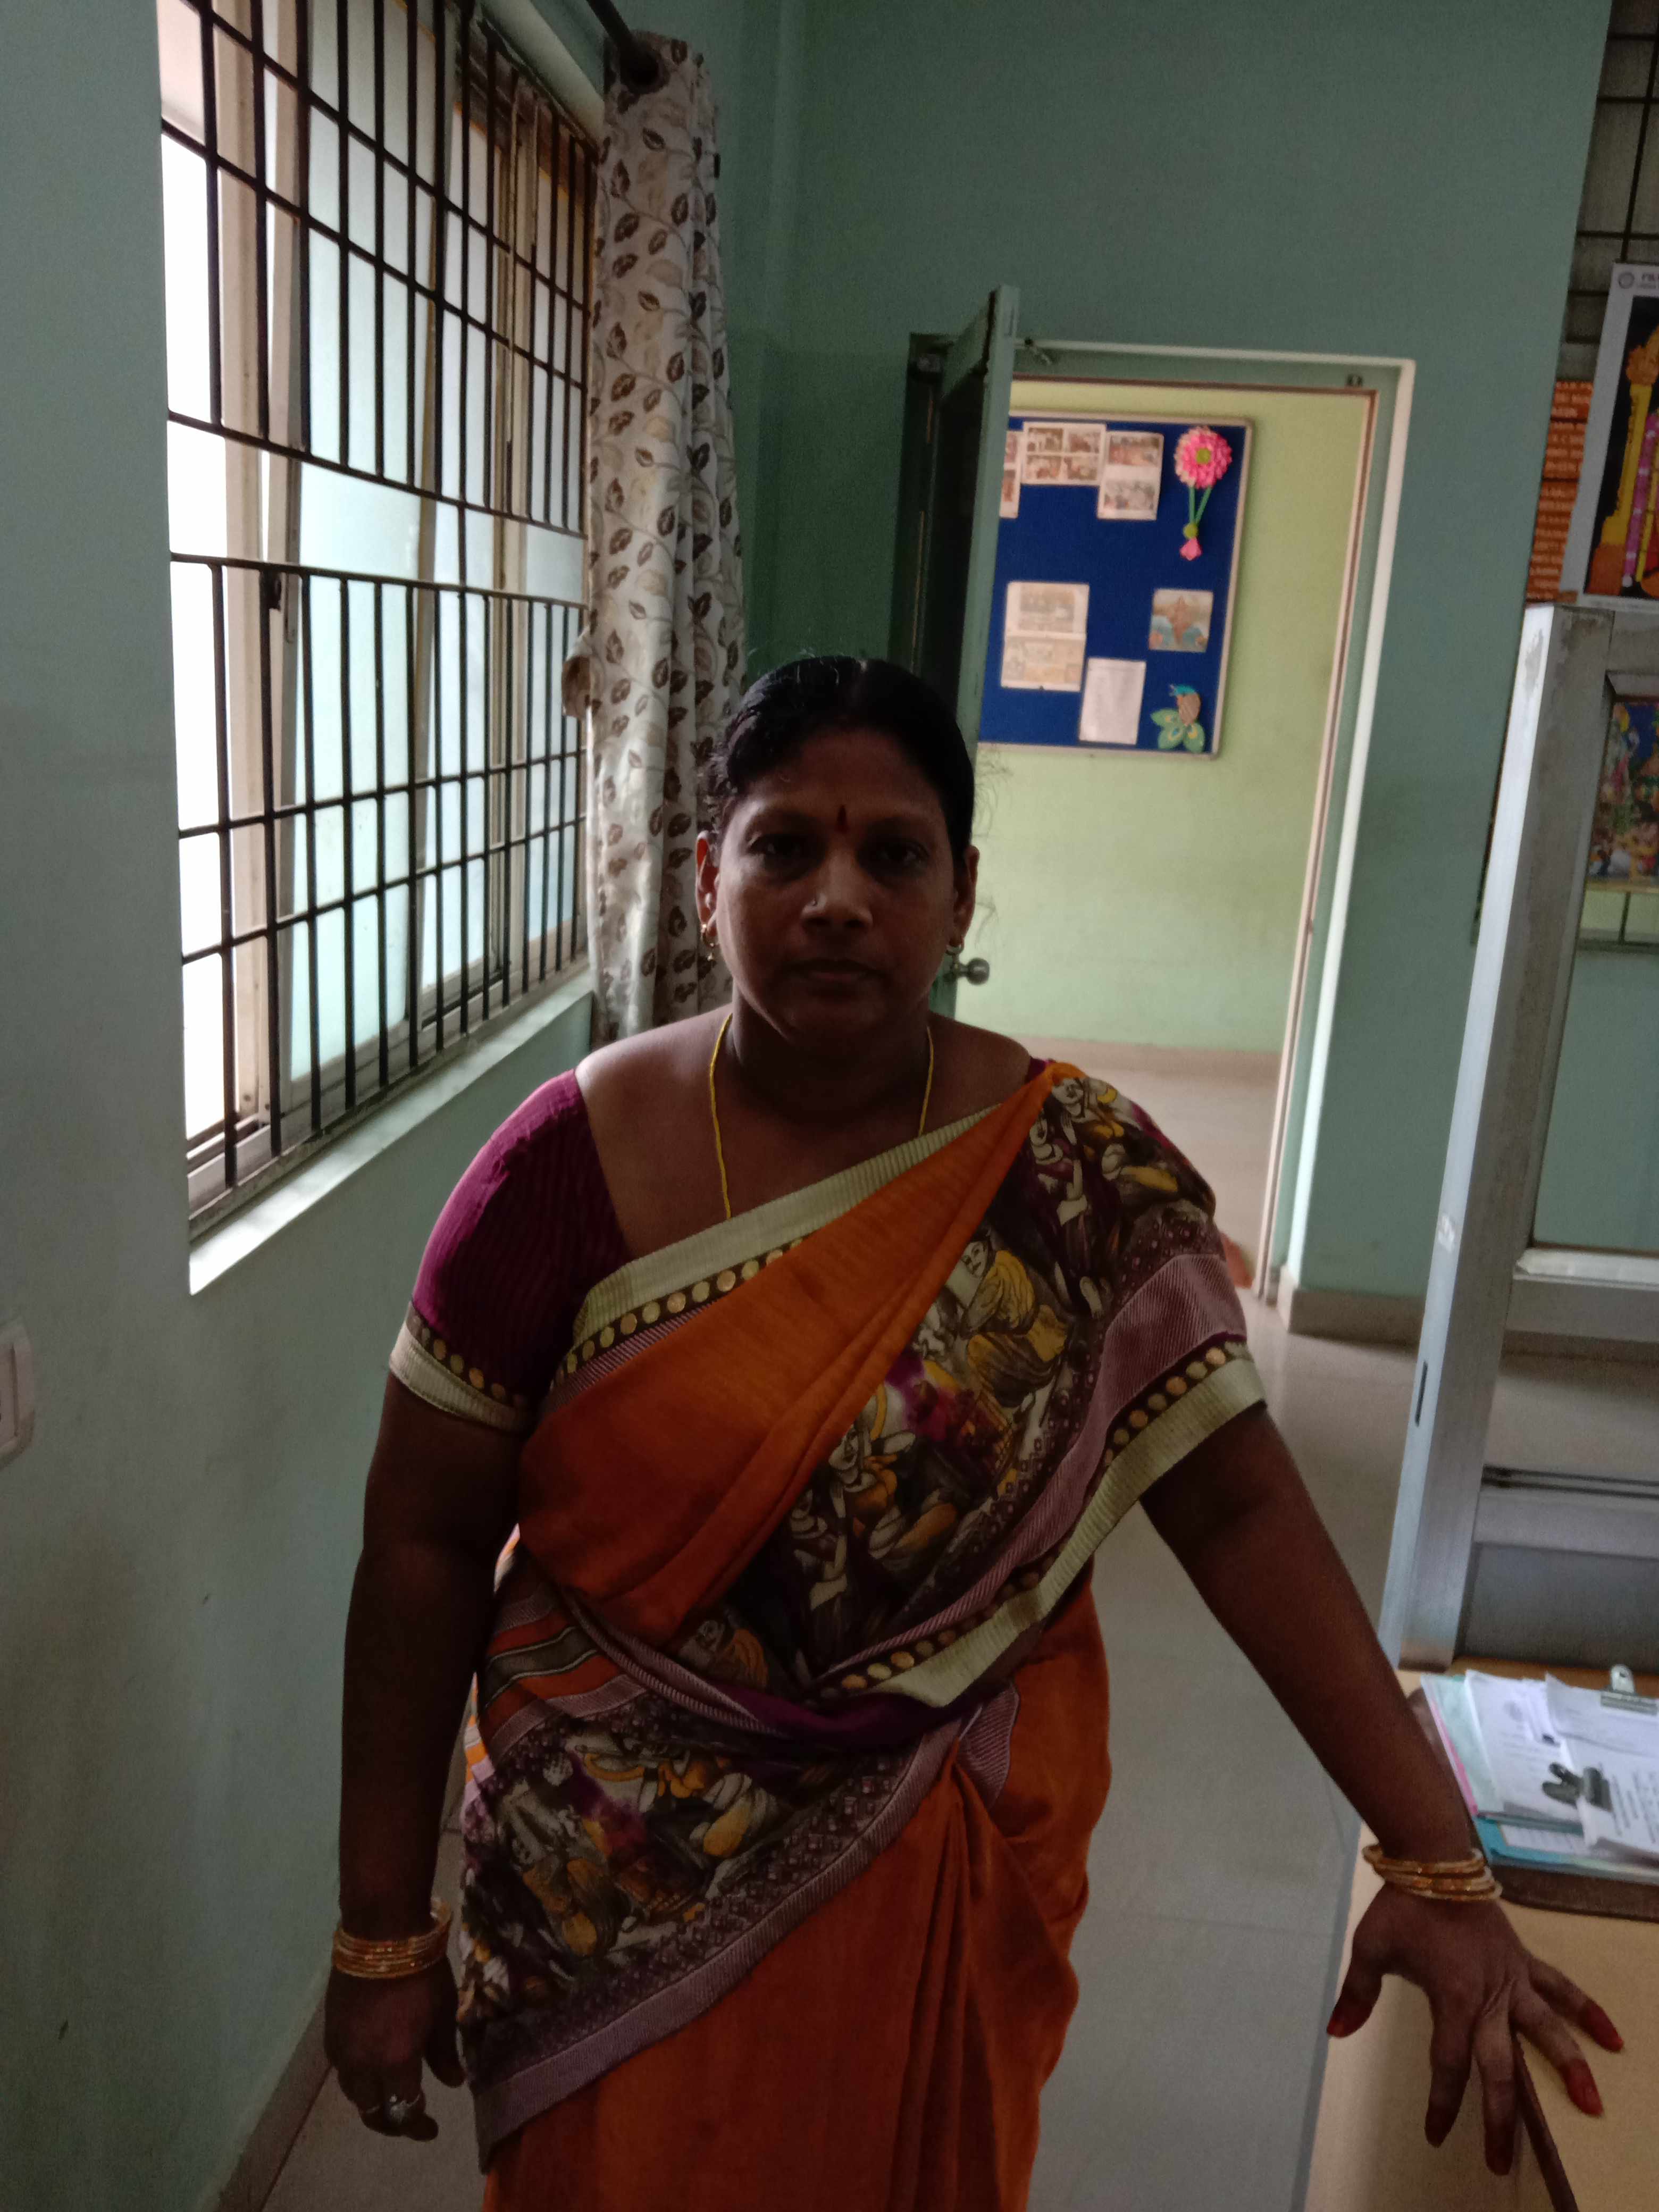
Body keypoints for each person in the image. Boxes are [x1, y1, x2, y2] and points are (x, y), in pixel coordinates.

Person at [325, 656, 1621, 2208]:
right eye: (784, 847)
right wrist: (381, 1928)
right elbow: (422, 1547)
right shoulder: (556, 1175)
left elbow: (1242, 1513)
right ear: (706, 878)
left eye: (894, 854)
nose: (837, 900)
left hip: (934, 1862)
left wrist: (1437, 1861)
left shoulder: (1073, 1178)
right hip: (606, 1885)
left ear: (962, 895)